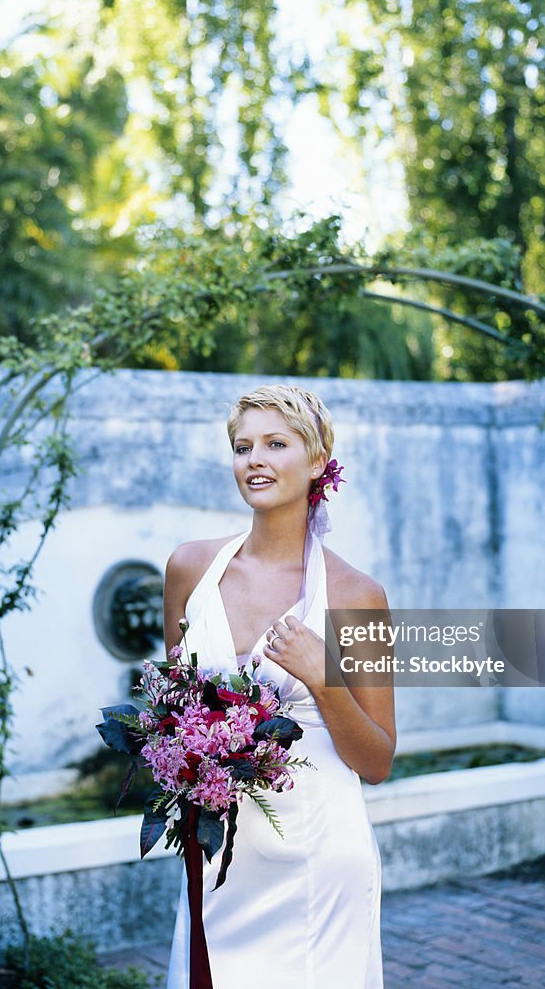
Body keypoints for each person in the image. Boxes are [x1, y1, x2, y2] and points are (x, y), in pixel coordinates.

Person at [163, 385, 395, 989]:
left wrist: (324, 680)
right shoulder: (190, 569)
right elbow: (170, 708)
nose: (254, 460)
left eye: (275, 444)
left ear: (317, 460)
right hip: (219, 853)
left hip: (320, 859)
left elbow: (376, 761)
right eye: (243, 447)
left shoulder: (356, 594)